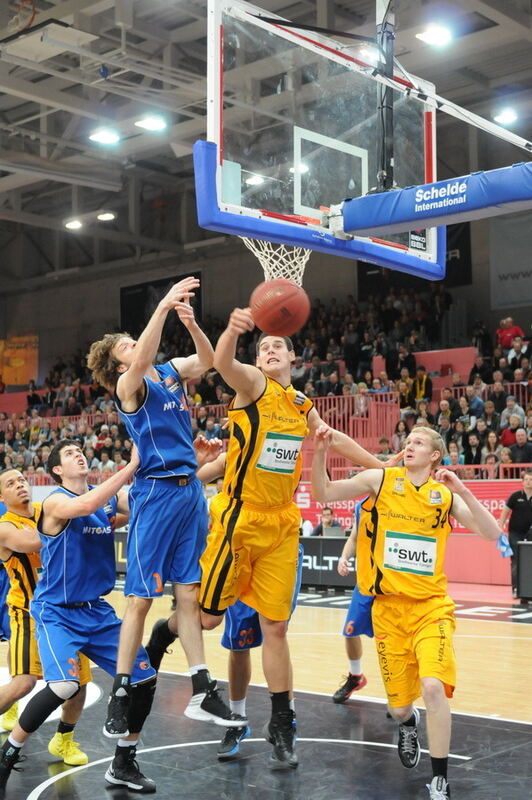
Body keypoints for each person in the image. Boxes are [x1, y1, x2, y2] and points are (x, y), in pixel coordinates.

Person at [195, 309, 401, 770]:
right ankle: (235, 716)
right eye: (262, 346)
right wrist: (231, 331)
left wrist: (381, 465)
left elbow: (336, 437)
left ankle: (281, 722)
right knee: (226, 633)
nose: (268, 350)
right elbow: (225, 365)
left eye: (276, 346)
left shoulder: (302, 404)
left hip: (281, 526)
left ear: (293, 357)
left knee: (275, 628)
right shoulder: (251, 384)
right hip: (239, 523)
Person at [312, 424, 501, 800]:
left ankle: (440, 780)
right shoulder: (380, 480)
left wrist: (462, 490)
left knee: (433, 686)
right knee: (399, 709)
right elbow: (324, 493)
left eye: (418, 442)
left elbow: (492, 533)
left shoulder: (443, 496)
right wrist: (319, 453)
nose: (409, 445)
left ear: (434, 455)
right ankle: (408, 722)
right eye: (408, 440)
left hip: (431, 608)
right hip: (388, 612)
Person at [87, 277, 239, 737]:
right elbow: (145, 355)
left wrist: (191, 324)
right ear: (118, 363)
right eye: (128, 345)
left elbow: (209, 361)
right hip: (153, 494)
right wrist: (164, 305)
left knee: (189, 594)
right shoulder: (128, 387)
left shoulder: (170, 372)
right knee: (139, 600)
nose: (137, 346)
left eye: (136, 341)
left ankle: (201, 687)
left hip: (189, 489)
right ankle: (120, 690)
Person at [0, 441, 159, 795]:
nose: (79, 454)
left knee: (145, 680)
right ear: (57, 469)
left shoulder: (103, 500)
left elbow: (146, 502)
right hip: (55, 611)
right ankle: (8, 753)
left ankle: (123, 762)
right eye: (69, 453)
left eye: (80, 450)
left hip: (97, 611)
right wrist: (131, 465)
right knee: (62, 685)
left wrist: (194, 465)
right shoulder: (56, 501)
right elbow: (85, 504)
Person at [0, 470, 91, 766]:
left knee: (78, 683)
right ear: (2, 497)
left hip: (67, 611)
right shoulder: (4, 527)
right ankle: (10, 706)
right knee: (24, 684)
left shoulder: (46, 509)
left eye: (22, 480)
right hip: (27, 612)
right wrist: (75, 514)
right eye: (10, 484)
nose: (19, 485)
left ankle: (63, 740)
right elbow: (33, 543)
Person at [332, 497, 368, 704]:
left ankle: (399, 694)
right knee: (350, 631)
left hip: (391, 585)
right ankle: (356, 677)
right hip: (365, 582)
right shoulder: (361, 506)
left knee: (390, 643)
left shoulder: (399, 501)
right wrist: (344, 558)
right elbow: (354, 538)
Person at [498, 469, 532, 599]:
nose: (529, 482)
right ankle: (516, 588)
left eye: (531, 480)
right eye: (527, 480)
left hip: (530, 535)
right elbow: (505, 511)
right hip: (515, 534)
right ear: (522, 482)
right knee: (516, 561)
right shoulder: (515, 496)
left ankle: (528, 589)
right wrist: (500, 526)